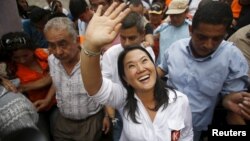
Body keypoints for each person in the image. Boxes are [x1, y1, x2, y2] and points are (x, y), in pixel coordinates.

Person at [80, 2, 193, 141]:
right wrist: (91, 45)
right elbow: (95, 87)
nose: (141, 69)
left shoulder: (180, 101)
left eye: (144, 61)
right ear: (125, 78)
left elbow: (186, 135)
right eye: (131, 66)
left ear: (154, 64)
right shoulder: (123, 99)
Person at [156, 1, 249, 140]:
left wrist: (227, 101)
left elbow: (232, 105)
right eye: (202, 37)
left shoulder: (233, 58)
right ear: (191, 30)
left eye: (216, 39)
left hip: (196, 130)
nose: (208, 45)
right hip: (163, 121)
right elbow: (160, 71)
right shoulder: (175, 49)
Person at [44, 17, 109, 141]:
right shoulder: (52, 60)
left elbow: (105, 89)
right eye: (52, 45)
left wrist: (107, 115)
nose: (58, 52)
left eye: (63, 44)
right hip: (63, 123)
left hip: (90, 124)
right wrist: (47, 99)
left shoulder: (95, 62)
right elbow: (57, 82)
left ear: (77, 40)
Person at [101, 11, 156, 141]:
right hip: (118, 113)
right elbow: (105, 87)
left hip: (143, 111)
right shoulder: (110, 54)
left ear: (142, 34)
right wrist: (109, 115)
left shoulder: (148, 53)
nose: (126, 43)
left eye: (131, 38)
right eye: (123, 37)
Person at [0, 31, 57, 141]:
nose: (22, 60)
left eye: (25, 55)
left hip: (56, 103)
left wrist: (25, 87)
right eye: (16, 58)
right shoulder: (9, 70)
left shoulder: (44, 54)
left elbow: (57, 74)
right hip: (35, 109)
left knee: (58, 131)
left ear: (32, 49)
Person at [154, 0, 190, 64]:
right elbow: (153, 37)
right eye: (172, 15)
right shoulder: (163, 27)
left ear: (186, 12)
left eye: (178, 15)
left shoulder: (191, 28)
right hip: (162, 68)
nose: (175, 18)